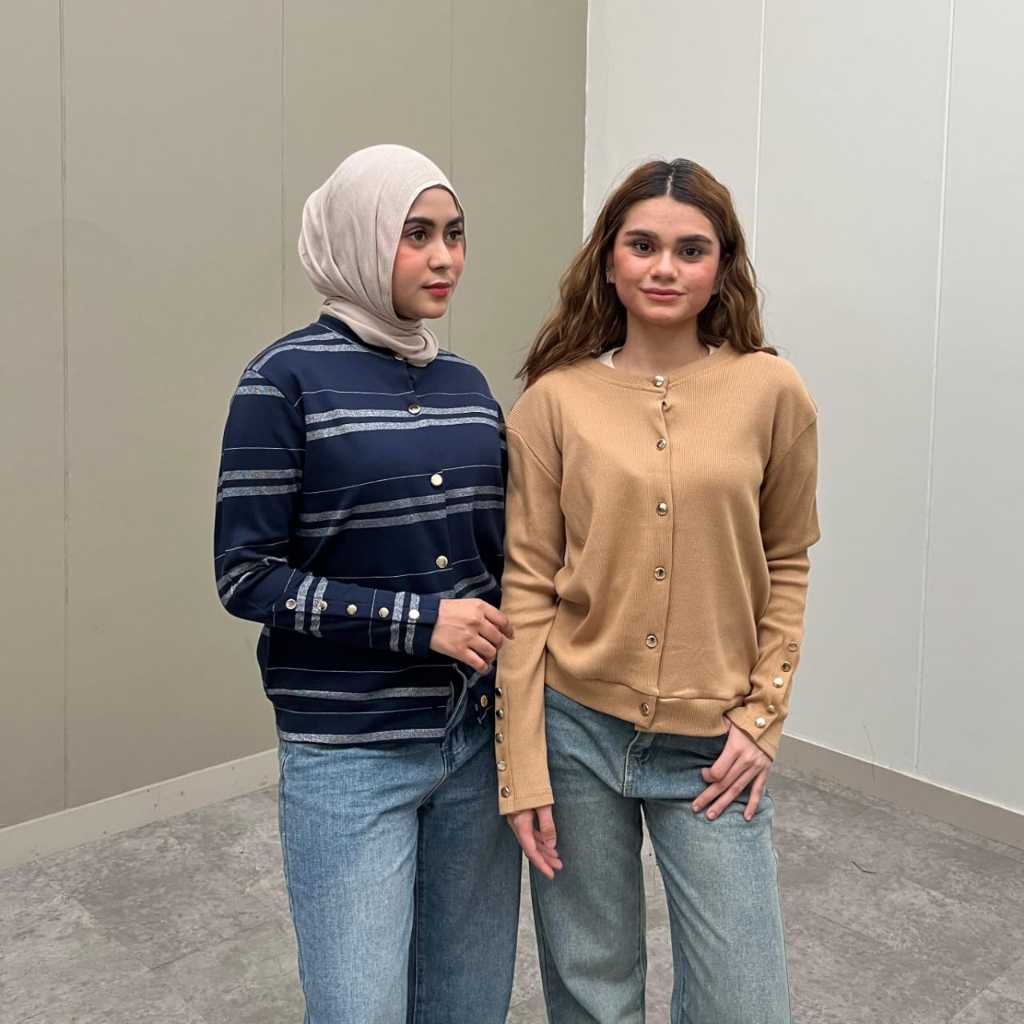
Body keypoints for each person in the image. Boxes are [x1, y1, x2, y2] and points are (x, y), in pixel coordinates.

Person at [495, 158, 819, 1023]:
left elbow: (788, 558)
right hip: (575, 734)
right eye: (642, 246)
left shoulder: (771, 391)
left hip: (712, 745)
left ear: (722, 266)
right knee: (593, 990)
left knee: (746, 1003)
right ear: (609, 259)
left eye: (690, 249)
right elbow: (526, 591)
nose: (664, 268)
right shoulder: (553, 403)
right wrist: (522, 766)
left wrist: (764, 714)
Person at [213, 144, 520, 1024]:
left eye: (455, 234)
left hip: (474, 745)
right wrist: (418, 622)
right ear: (358, 239)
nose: (444, 257)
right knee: (358, 1009)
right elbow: (245, 575)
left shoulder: (469, 388)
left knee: (467, 1005)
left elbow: (503, 564)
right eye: (415, 235)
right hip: (347, 756)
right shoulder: (281, 382)